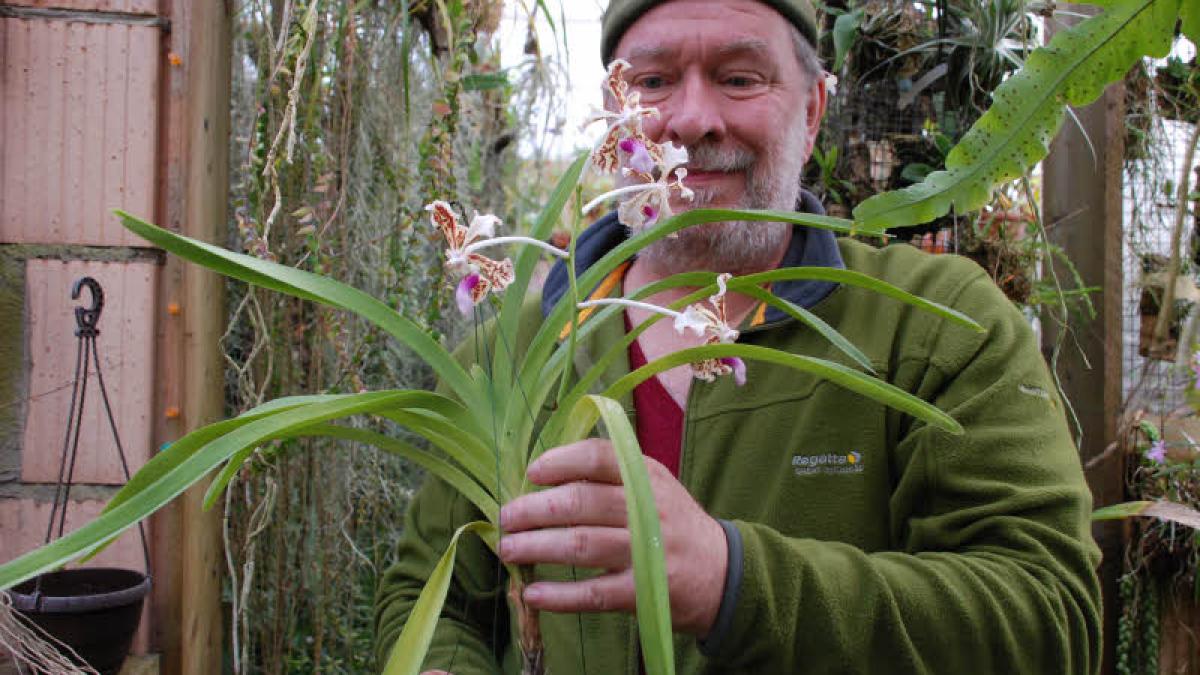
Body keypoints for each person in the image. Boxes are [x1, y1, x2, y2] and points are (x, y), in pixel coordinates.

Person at [375, 1, 1103, 672]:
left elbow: (1049, 616)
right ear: (612, 119)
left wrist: (734, 581)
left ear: (813, 111)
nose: (692, 120)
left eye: (739, 78)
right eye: (653, 81)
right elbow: (427, 597)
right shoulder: (512, 354)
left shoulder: (934, 325)